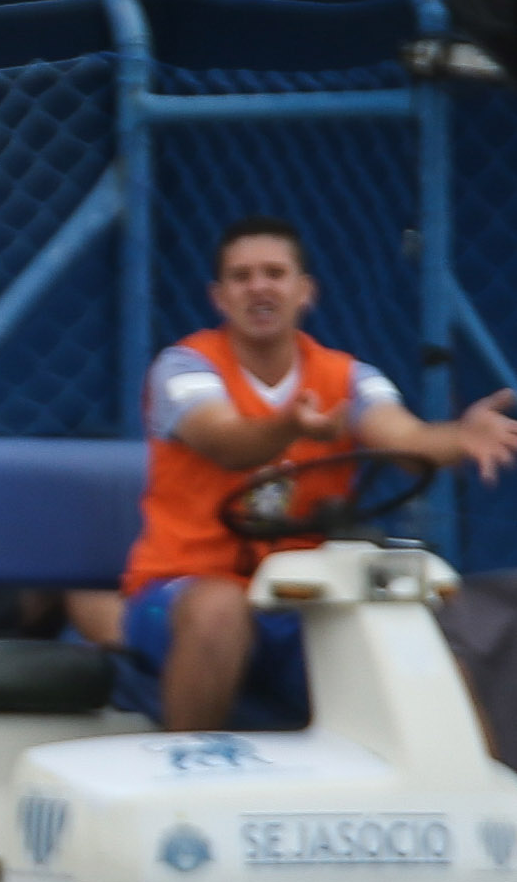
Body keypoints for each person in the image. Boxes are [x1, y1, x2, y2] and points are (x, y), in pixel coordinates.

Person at [122, 214, 517, 731]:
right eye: (241, 277)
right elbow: (224, 442)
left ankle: (472, 798)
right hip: (183, 589)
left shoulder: (349, 377)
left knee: (409, 623)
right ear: (219, 297)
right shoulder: (184, 368)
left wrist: (457, 439)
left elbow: (406, 441)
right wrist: (289, 424)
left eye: (274, 273)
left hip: (302, 598)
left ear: (305, 291)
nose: (258, 287)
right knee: (220, 610)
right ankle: (183, 784)